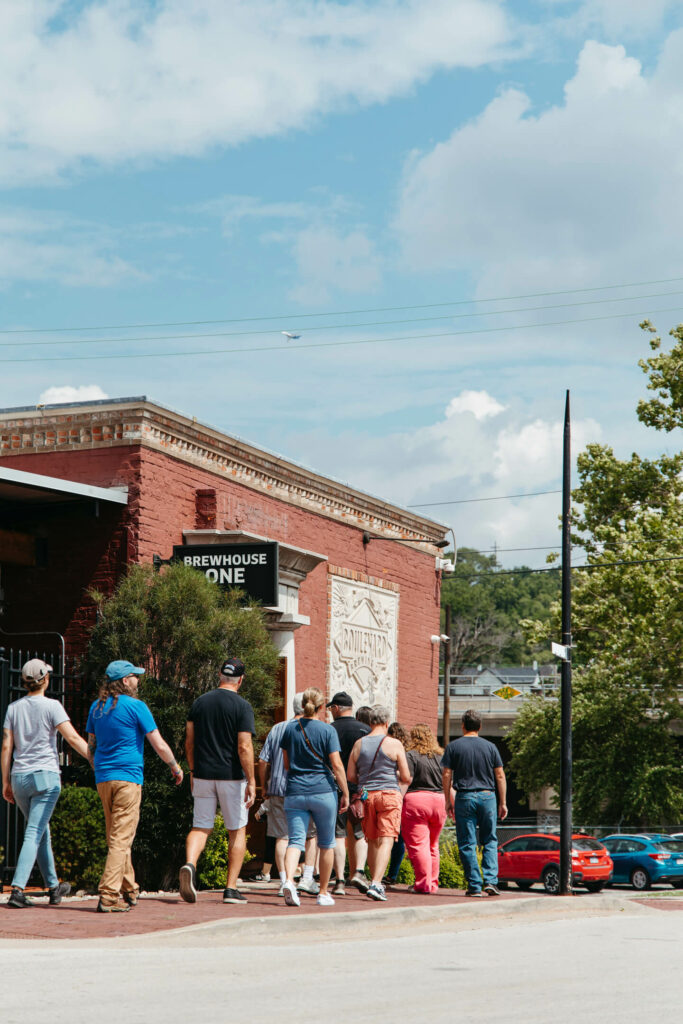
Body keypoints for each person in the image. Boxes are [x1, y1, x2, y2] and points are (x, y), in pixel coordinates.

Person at [87, 659, 183, 912]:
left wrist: (99, 768)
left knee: (117, 836)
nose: (138, 680)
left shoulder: (96, 708)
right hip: (128, 778)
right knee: (120, 839)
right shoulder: (137, 707)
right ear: (125, 681)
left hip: (104, 779)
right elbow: (158, 744)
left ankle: (130, 890)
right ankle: (108, 896)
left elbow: (91, 748)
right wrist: (175, 766)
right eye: (135, 676)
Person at [1, 659, 90, 909]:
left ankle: (53, 887)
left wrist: (5, 781)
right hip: (45, 777)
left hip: (19, 777)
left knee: (41, 831)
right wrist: (95, 759)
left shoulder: (13, 708)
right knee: (34, 832)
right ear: (46, 680)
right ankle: (17, 889)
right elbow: (71, 737)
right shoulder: (53, 706)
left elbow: (7, 746)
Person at [179, 657, 255, 905]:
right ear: (240, 680)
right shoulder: (242, 706)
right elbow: (244, 746)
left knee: (200, 827)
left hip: (202, 773)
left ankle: (190, 863)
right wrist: (252, 779)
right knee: (237, 830)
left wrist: (192, 770)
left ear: (220, 676)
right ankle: (230, 888)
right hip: (231, 777)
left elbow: (189, 742)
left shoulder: (200, 702)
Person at [279, 687, 349, 908]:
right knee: (326, 843)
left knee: (295, 840)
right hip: (323, 791)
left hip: (295, 790)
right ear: (321, 707)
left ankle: (289, 880)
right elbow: (336, 765)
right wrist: (345, 792)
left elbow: (286, 764)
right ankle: (323, 892)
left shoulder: (290, 730)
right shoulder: (328, 731)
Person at [347, 705, 412, 902]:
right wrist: (394, 774)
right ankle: (377, 883)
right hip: (389, 794)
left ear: (369, 723)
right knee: (387, 838)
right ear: (386, 722)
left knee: (372, 839)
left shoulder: (359, 744)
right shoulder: (394, 744)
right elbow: (407, 776)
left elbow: (351, 775)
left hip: (366, 795)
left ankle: (374, 881)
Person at [441, 708, 508, 897]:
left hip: (465, 797)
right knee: (490, 840)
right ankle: (491, 881)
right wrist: (502, 802)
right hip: (488, 796)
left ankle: (474, 885)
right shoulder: (490, 747)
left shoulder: (454, 747)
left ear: (463, 726)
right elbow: (500, 776)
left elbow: (446, 774)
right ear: (480, 726)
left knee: (467, 842)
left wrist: (447, 799)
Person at [258, 693, 319, 897]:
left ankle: (285, 879)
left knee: (281, 836)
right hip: (305, 789)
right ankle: (307, 877)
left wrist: (263, 785)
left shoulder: (277, 728)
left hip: (277, 788)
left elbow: (263, 760)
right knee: (310, 835)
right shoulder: (313, 728)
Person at [327, 690, 370, 895]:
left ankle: (340, 881)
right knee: (361, 833)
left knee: (338, 835)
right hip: (359, 789)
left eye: (331, 708)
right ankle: (359, 872)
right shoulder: (365, 730)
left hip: (335, 788)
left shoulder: (330, 729)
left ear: (336, 708)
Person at [402, 724, 447, 893]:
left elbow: (407, 780)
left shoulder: (411, 755)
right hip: (440, 801)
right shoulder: (441, 757)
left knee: (419, 846)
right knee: (433, 845)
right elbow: (447, 782)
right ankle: (432, 884)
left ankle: (422, 884)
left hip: (417, 801)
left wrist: (399, 801)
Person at [385, 721, 409, 884]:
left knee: (393, 837)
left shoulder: (394, 750)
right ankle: (392, 874)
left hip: (396, 795)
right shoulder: (408, 751)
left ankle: (389, 874)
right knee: (399, 838)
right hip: (406, 798)